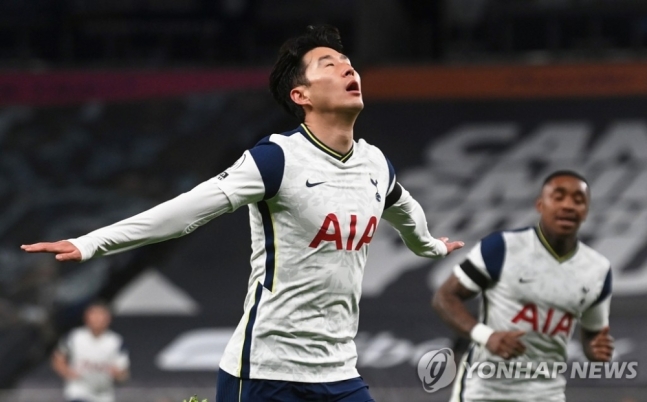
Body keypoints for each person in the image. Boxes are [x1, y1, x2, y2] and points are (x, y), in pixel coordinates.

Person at [21, 25, 464, 402]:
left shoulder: (375, 164)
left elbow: (403, 208)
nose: (349, 69)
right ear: (301, 95)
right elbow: (186, 211)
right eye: (329, 64)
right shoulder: (277, 159)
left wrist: (430, 246)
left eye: (349, 63)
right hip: (264, 372)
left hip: (339, 371)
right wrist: (91, 242)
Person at [432, 170, 613, 402]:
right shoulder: (502, 247)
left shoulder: (598, 269)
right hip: (485, 393)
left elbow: (592, 336)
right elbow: (445, 297)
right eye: (558, 197)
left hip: (546, 395)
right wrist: (487, 336)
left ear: (586, 211)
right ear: (540, 204)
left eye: (578, 200)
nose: (568, 205)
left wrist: (596, 350)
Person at [51, 301, 129, 402]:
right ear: (86, 317)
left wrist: (118, 374)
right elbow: (58, 358)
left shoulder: (115, 341)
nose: (97, 319)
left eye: (101, 315)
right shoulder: (75, 337)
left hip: (103, 393)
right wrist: (67, 372)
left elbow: (123, 373)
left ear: (108, 318)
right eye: (93, 314)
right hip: (79, 389)